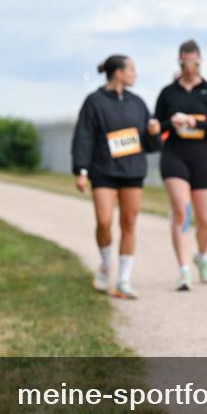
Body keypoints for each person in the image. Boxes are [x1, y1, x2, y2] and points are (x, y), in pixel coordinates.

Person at [72, 55, 162, 299]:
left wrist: (155, 133)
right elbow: (84, 137)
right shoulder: (94, 102)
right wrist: (81, 171)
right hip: (103, 171)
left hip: (133, 171)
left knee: (129, 222)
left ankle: (123, 280)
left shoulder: (138, 103)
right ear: (118, 73)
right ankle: (105, 264)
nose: (135, 74)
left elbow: (151, 145)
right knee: (104, 221)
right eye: (132, 69)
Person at [153, 39, 207, 291]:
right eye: (185, 62)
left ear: (200, 61)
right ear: (179, 61)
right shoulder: (168, 93)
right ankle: (183, 270)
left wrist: (197, 123)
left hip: (203, 157)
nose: (190, 66)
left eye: (194, 62)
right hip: (175, 156)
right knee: (182, 213)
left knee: (205, 220)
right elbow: (156, 125)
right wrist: (169, 123)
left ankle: (201, 257)